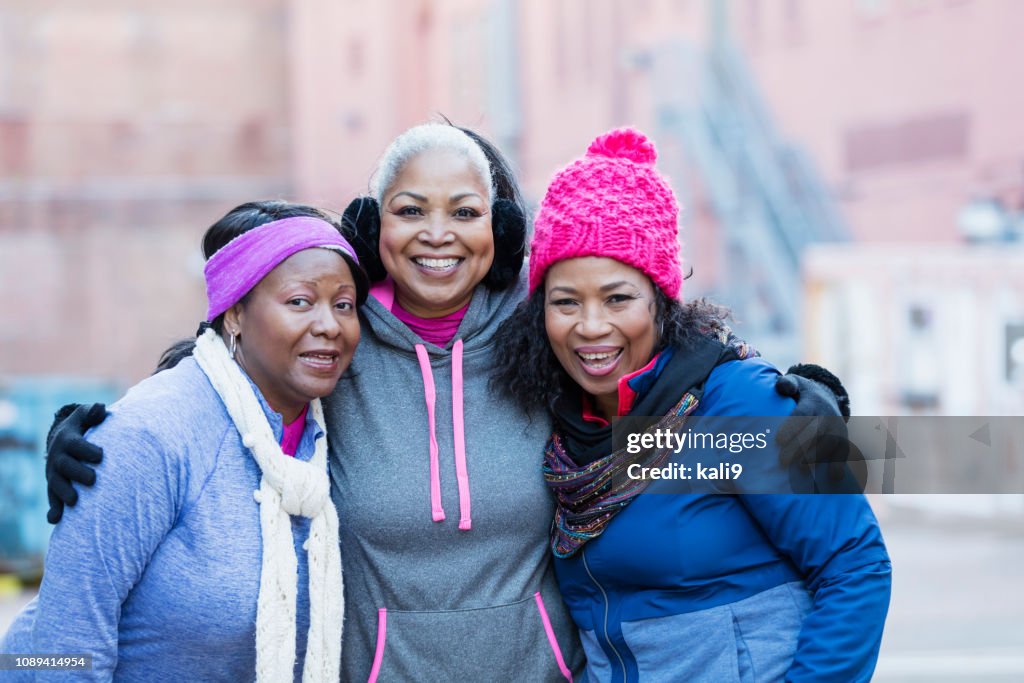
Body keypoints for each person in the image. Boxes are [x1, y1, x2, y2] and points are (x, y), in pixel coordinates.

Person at [39, 122, 850, 681]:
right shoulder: (341, 345)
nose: (438, 233)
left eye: (464, 212)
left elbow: (662, 371)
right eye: (410, 211)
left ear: (497, 229)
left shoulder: (548, 335)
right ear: (373, 226)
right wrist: (109, 433)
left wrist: (807, 425)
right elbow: (242, 372)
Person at [492, 128, 892, 682]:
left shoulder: (740, 403)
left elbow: (855, 565)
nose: (590, 326)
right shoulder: (563, 426)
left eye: (617, 298)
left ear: (660, 299)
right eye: (565, 302)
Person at [1, 201, 368, 681]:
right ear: (235, 312)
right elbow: (61, 650)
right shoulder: (150, 435)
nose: (329, 324)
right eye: (300, 301)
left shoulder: (331, 433)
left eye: (343, 305)